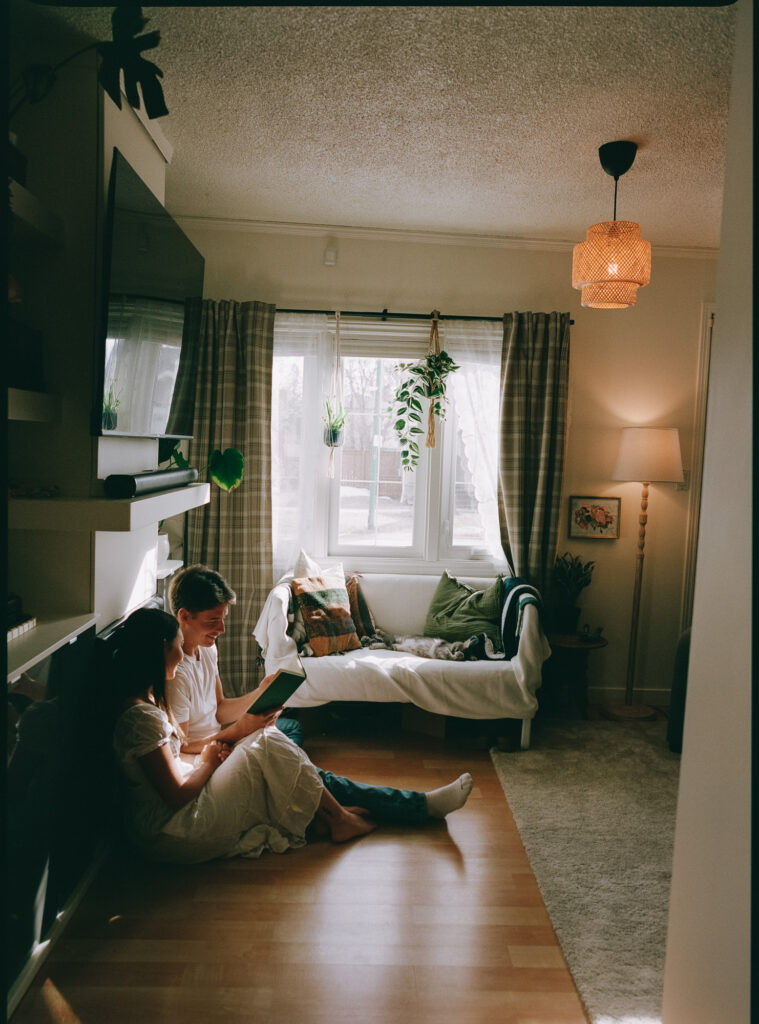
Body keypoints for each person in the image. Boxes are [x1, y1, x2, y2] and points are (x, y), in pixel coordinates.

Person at [110, 607, 474, 863]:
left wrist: (250, 708)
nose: (181, 653)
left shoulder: (150, 701)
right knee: (274, 746)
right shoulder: (142, 717)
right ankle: (347, 815)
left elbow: (188, 748)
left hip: (181, 802)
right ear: (160, 649)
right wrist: (208, 760)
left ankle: (331, 814)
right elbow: (174, 796)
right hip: (172, 834)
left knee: (277, 743)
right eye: (174, 644)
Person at [165, 564, 302, 751]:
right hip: (205, 751)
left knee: (292, 728)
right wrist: (239, 731)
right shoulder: (176, 674)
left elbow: (219, 710)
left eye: (223, 619)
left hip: (222, 737)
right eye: (213, 620)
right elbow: (181, 746)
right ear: (185, 616)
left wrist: (261, 692)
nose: (222, 629)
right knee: (281, 749)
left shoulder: (207, 648)